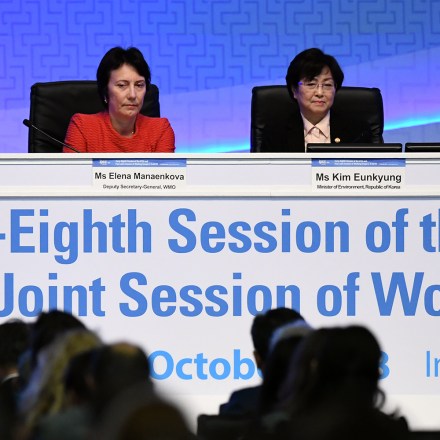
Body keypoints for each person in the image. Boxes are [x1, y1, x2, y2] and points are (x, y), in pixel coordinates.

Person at [263, 48, 383, 152]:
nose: (320, 93)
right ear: (294, 90)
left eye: (327, 85)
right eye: (311, 84)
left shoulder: (357, 130)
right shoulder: (276, 132)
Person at [64, 46, 175, 153]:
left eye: (139, 85)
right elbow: (72, 172)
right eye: (122, 85)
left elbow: (164, 173)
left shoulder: (160, 130)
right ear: (105, 91)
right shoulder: (82, 127)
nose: (132, 95)